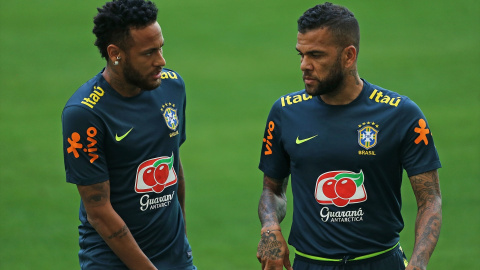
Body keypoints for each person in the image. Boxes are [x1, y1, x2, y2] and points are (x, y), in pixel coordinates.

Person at [256, 2, 442, 270]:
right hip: (311, 264)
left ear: (348, 56)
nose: (304, 65)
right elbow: (272, 190)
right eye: (301, 54)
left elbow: (430, 198)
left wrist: (419, 261)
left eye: (316, 56)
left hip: (380, 263)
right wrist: (270, 226)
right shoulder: (285, 112)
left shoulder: (401, 114)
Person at [61, 0, 196, 269]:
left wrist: (181, 243)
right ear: (115, 53)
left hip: (175, 258)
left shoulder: (172, 86)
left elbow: (173, 164)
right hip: (112, 262)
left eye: (161, 48)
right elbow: (98, 211)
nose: (161, 61)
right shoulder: (85, 113)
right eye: (148, 53)